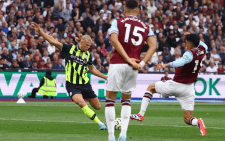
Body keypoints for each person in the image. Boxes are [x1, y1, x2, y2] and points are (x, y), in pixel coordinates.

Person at [31, 22, 107, 130]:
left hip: (85, 84)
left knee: (97, 107)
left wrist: (105, 77)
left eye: (89, 46)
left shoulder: (88, 55)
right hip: (72, 85)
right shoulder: (69, 48)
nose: (88, 48)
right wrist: (40, 32)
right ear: (81, 42)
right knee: (81, 103)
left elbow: (92, 69)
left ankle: (89, 107)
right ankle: (100, 123)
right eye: (87, 45)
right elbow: (52, 40)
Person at [131, 33, 207, 136]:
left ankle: (141, 114)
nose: (185, 44)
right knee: (188, 119)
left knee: (151, 88)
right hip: (189, 88)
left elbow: (180, 62)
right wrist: (191, 35)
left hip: (177, 85)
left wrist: (165, 65)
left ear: (189, 43)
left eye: (186, 42)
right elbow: (200, 42)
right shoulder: (203, 48)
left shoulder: (189, 54)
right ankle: (197, 121)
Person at [105, 0, 157, 140]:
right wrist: (143, 63)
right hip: (134, 66)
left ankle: (111, 137)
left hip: (118, 63)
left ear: (125, 9)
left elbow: (114, 41)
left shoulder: (117, 21)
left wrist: (127, 59)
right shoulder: (146, 26)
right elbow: (153, 46)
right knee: (126, 100)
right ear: (138, 11)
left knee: (110, 100)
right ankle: (123, 134)